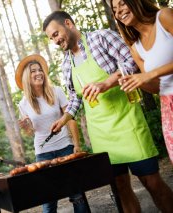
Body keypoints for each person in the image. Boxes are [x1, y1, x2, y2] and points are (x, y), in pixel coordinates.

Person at [43, 10, 173, 213]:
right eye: (51, 38)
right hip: (101, 136)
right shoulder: (66, 64)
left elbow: (132, 62)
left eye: (56, 34)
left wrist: (106, 83)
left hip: (128, 123)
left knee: (152, 182)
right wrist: (65, 118)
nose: (55, 41)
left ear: (68, 23)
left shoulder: (101, 38)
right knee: (120, 188)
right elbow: (76, 98)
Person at [15, 54, 89, 213]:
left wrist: (76, 144)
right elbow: (30, 132)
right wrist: (26, 127)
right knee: (48, 200)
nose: (38, 73)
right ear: (28, 77)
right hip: (43, 154)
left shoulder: (56, 91)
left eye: (39, 70)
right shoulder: (24, 103)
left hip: (65, 147)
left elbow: (70, 118)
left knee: (77, 194)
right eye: (33, 71)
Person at [110, 0, 173, 164]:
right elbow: (156, 87)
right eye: (115, 10)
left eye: (122, 4)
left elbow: (151, 75)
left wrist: (150, 74)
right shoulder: (135, 48)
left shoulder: (164, 17)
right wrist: (137, 81)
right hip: (168, 106)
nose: (119, 12)